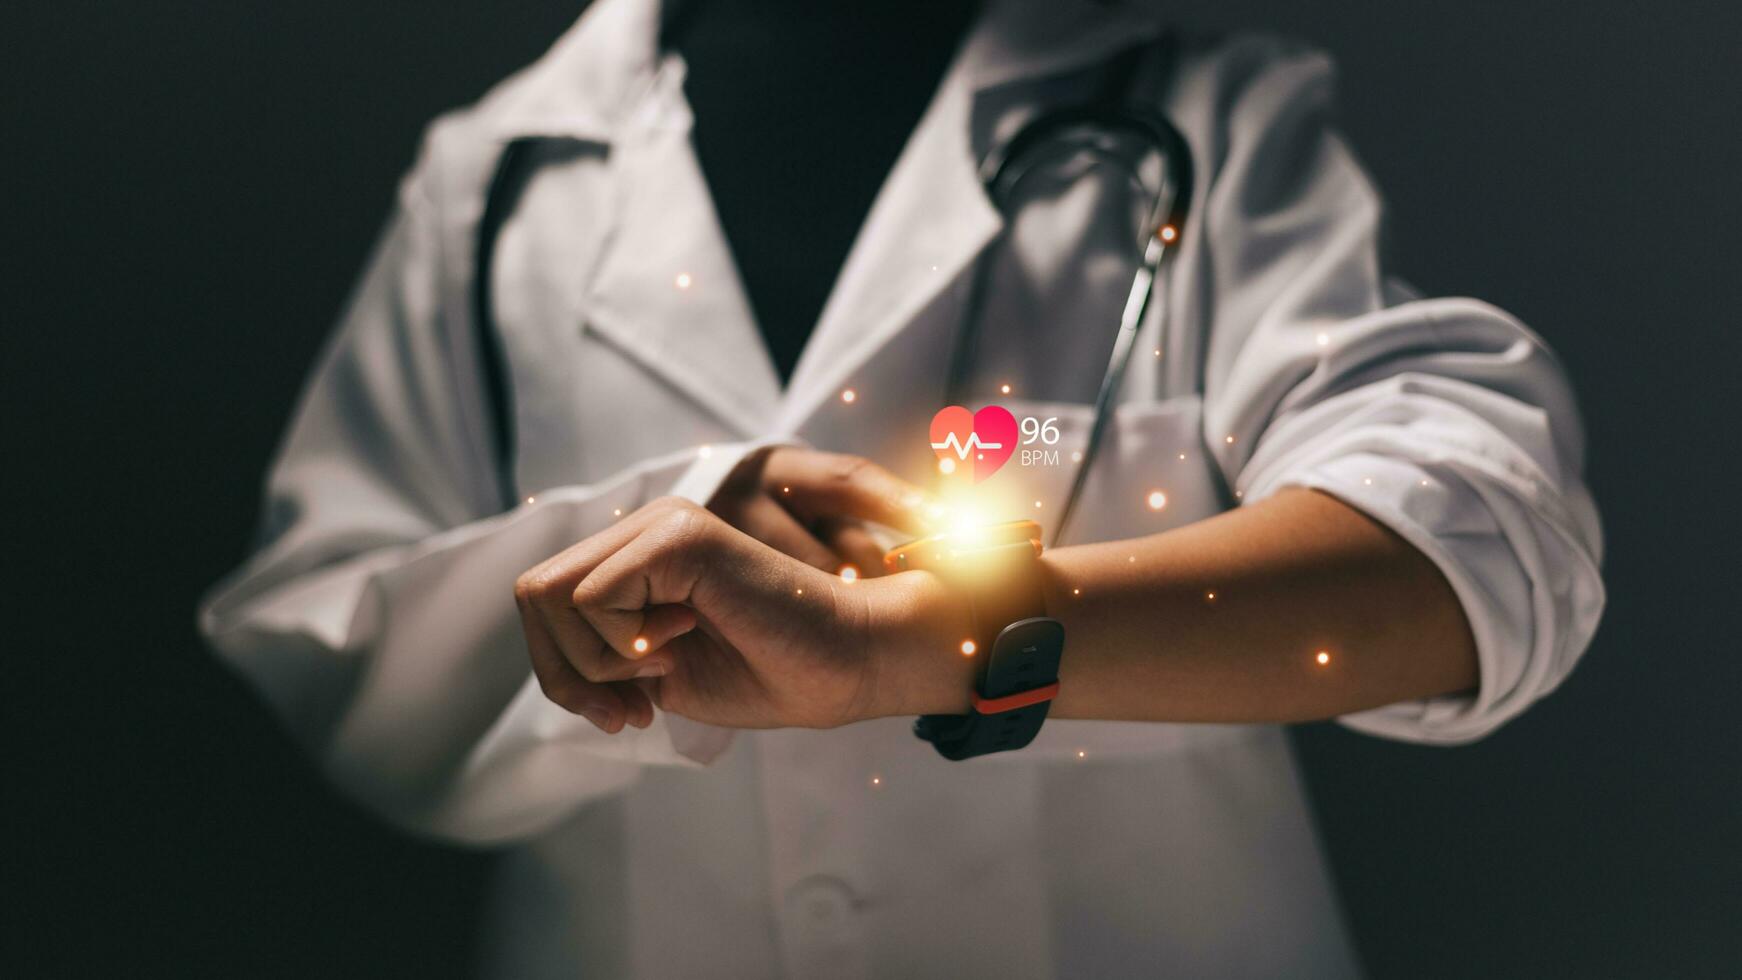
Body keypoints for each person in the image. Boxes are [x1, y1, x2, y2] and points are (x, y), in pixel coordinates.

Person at [200, 0, 1605, 975]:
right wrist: (606, 574)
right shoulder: (495, 180)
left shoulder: (1206, 118)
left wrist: (908, 646)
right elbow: (328, 638)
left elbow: (1473, 551)